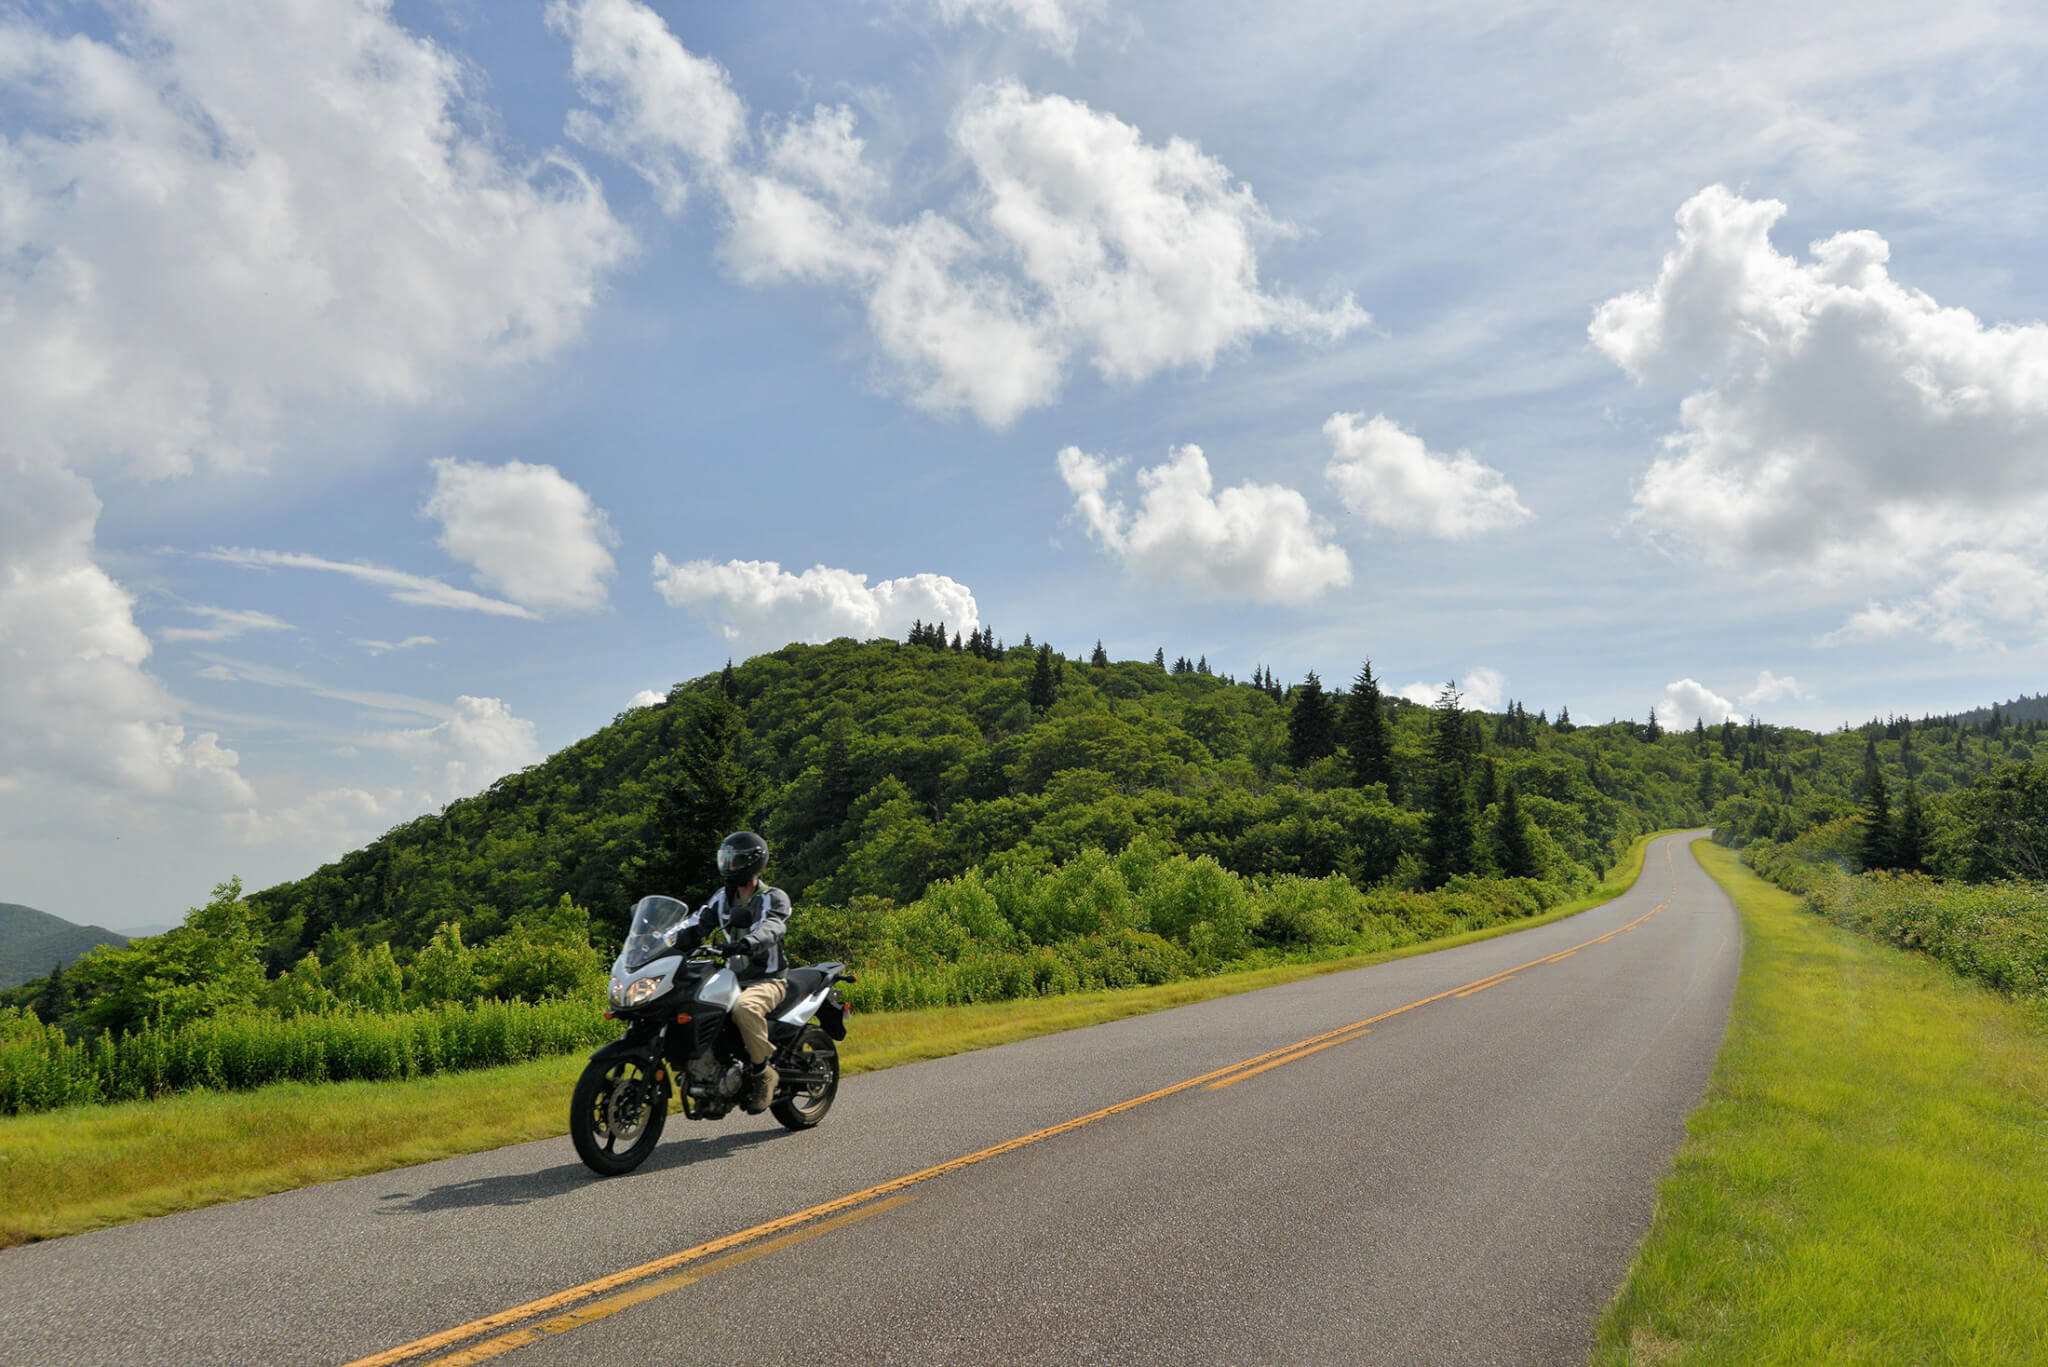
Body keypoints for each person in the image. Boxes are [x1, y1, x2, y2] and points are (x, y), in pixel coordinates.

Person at [675, 831, 791, 1113]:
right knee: (693, 1005)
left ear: (753, 863)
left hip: (767, 978)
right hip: (730, 978)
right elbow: (696, 920)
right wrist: (666, 939)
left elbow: (772, 926)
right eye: (727, 860)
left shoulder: (771, 897)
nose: (730, 866)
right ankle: (708, 1075)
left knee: (744, 1009)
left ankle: (764, 1073)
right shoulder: (722, 898)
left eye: (736, 861)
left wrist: (748, 943)